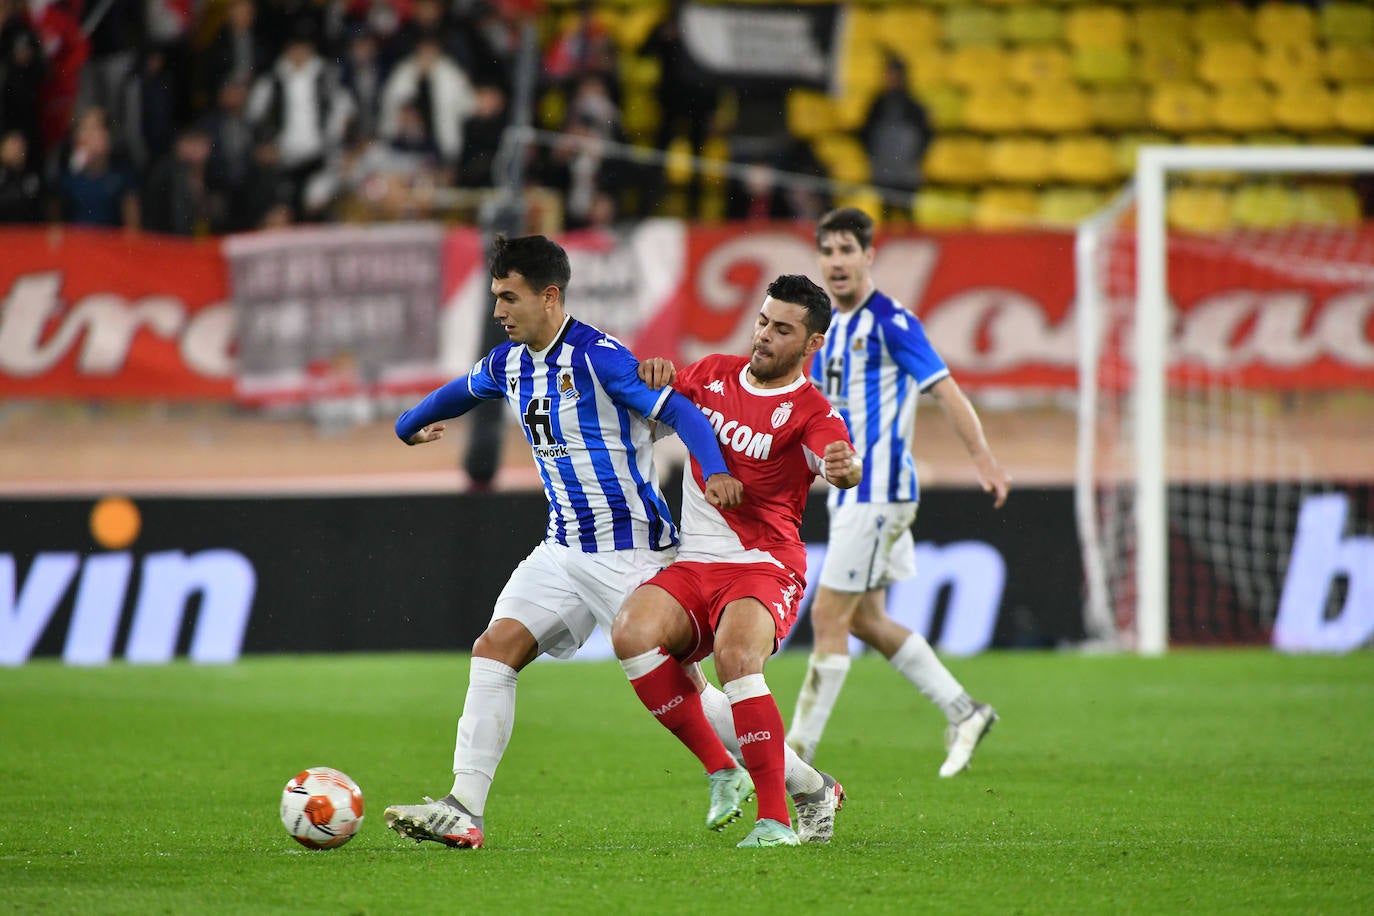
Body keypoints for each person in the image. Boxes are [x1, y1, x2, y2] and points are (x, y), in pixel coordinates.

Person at [381, 236, 839, 849]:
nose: (498, 310)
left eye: (509, 297)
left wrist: (716, 470)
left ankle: (801, 784)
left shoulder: (600, 357)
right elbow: (457, 393)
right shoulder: (507, 363)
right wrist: (406, 426)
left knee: (693, 694)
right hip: (562, 548)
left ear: (548, 296)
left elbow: (684, 414)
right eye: (495, 297)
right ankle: (464, 807)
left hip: (633, 550)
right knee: (493, 651)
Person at [612, 274, 861, 848]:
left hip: (763, 564)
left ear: (812, 343)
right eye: (763, 321)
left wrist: (846, 468)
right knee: (631, 633)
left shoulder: (812, 412)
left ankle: (775, 821)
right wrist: (654, 372)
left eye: (783, 329)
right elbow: (653, 400)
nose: (765, 335)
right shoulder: (710, 374)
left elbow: (839, 460)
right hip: (694, 561)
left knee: (736, 658)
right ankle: (743, 773)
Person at [788, 207, 1012, 778]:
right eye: (827, 251)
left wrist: (983, 458)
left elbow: (946, 389)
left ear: (869, 256)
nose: (836, 261)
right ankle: (966, 711)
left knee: (829, 616)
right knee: (866, 620)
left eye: (847, 250)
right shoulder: (825, 328)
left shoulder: (892, 322)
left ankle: (793, 758)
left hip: (879, 491)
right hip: (850, 492)